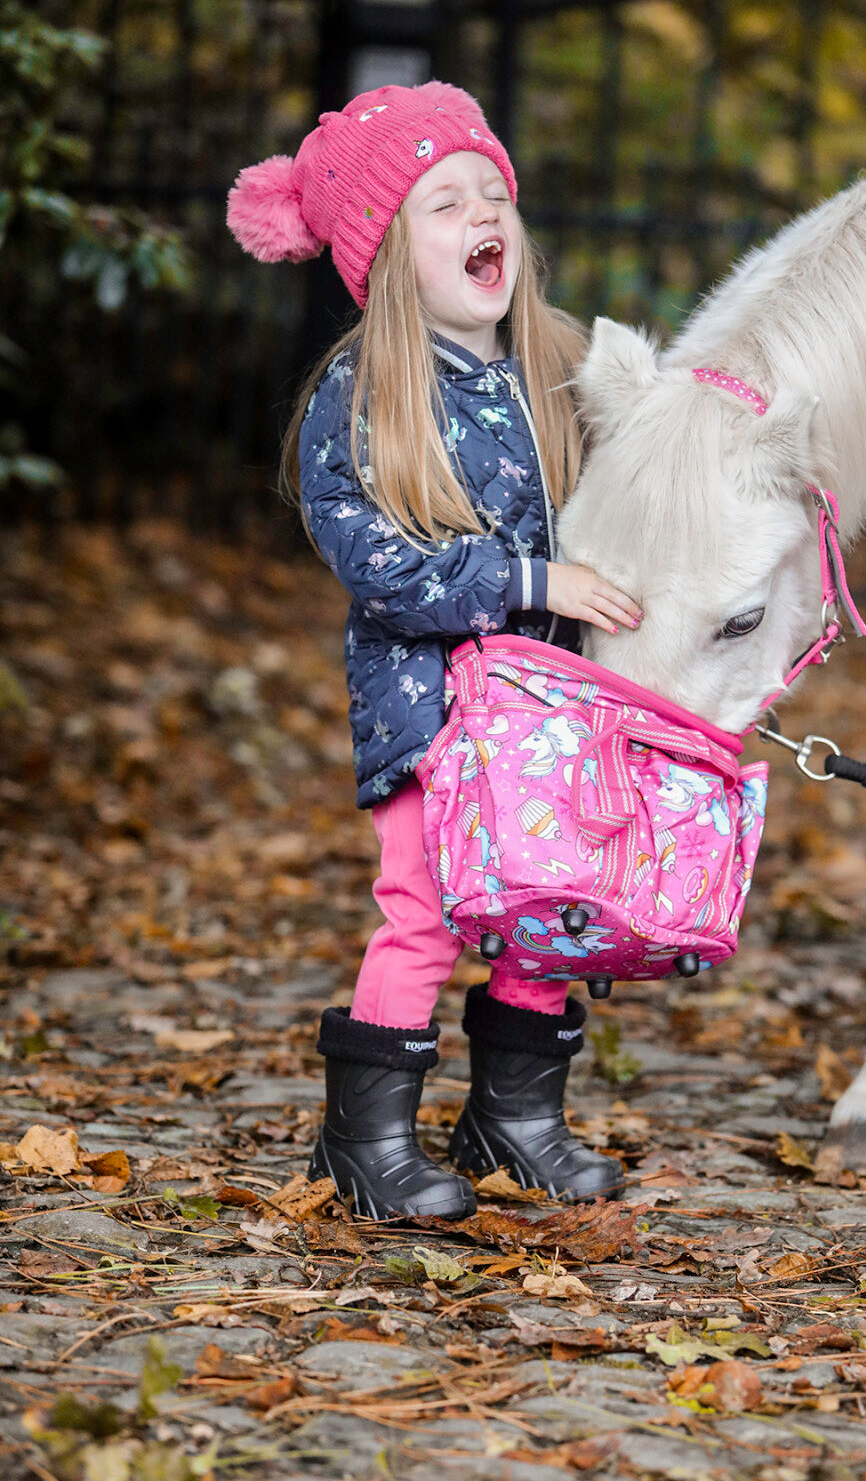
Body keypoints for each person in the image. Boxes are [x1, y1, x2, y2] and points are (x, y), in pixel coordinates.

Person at [227, 81, 642, 1219]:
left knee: (545, 907)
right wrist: (528, 581)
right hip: (427, 708)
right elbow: (382, 569)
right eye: (444, 202)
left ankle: (513, 1121)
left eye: (494, 193)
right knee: (421, 906)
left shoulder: (562, 365)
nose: (483, 216)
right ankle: (366, 1143)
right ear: (384, 252)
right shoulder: (362, 395)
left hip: (553, 712)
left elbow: (652, 473)